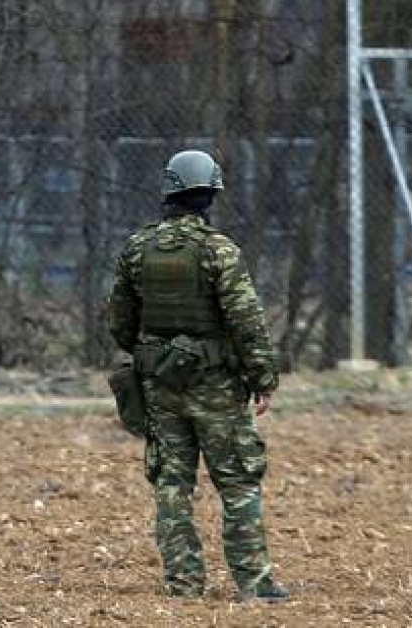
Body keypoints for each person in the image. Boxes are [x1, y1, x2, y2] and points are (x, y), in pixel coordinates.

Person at [107, 149, 287, 601]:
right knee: (238, 481)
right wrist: (263, 377)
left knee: (172, 482)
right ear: (211, 194)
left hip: (160, 384)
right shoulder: (219, 251)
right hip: (217, 386)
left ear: (169, 192)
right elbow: (246, 320)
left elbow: (120, 323)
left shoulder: (136, 249)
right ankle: (255, 585)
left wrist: (154, 356)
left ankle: (183, 583)